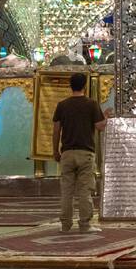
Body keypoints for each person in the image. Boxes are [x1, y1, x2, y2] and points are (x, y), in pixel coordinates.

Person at [52, 72, 109, 232]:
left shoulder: (62, 105)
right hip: (85, 153)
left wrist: (55, 151)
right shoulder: (91, 104)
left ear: (70, 86)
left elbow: (56, 131)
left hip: (67, 153)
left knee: (66, 191)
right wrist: (106, 117)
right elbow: (100, 127)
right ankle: (84, 225)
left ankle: (65, 225)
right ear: (84, 85)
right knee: (85, 190)